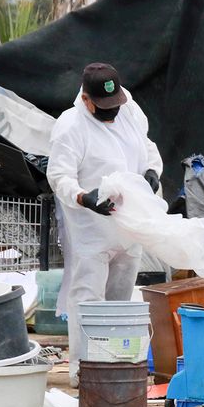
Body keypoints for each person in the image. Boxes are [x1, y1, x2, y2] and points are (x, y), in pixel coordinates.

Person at [47, 63, 163, 387]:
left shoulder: (128, 109)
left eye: (116, 105)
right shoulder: (70, 127)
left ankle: (114, 364)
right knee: (87, 298)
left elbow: (147, 146)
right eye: (104, 108)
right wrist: (85, 198)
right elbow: (59, 176)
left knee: (120, 300)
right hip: (91, 231)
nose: (112, 113)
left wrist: (153, 171)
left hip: (129, 226)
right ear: (86, 100)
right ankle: (83, 370)